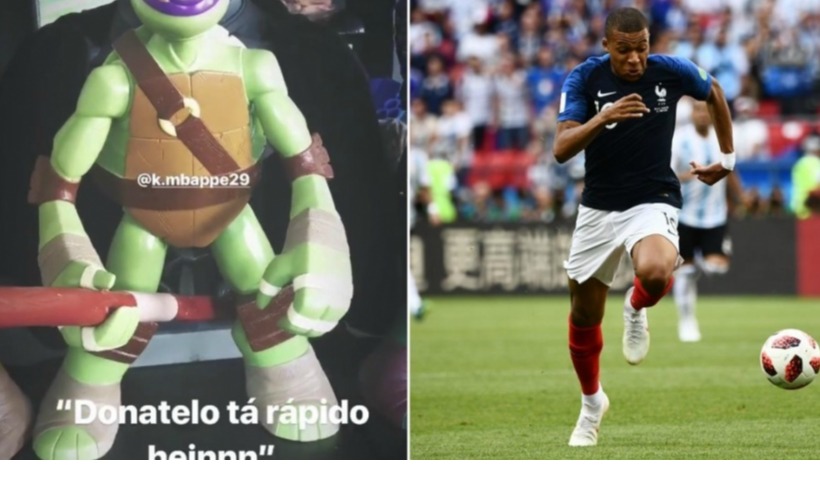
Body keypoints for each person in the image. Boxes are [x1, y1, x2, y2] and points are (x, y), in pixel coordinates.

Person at [553, 7, 734, 447]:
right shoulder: (585, 78)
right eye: (624, 50)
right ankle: (592, 403)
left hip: (653, 198)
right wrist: (602, 117)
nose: (635, 58)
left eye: (642, 48)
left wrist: (727, 159)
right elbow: (561, 148)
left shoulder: (670, 70)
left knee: (654, 271)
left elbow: (713, 90)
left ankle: (636, 307)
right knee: (584, 314)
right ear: (606, 46)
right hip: (598, 207)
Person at [670, 101, 743, 343]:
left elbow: (730, 169)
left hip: (715, 215)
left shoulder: (723, 137)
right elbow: (666, 174)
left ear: (713, 113)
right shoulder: (679, 139)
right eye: (698, 110)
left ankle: (701, 264)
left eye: (706, 110)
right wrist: (691, 175)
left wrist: (740, 197)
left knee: (717, 267)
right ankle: (686, 322)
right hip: (684, 215)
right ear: (691, 113)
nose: (702, 114)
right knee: (685, 272)